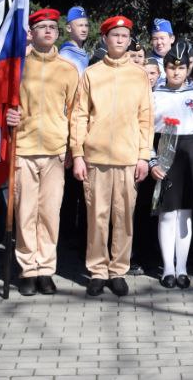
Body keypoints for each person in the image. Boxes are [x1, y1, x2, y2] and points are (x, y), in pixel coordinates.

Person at [69, 15, 153, 298]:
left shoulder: (139, 75)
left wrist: (144, 156)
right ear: (105, 39)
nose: (120, 39)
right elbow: (79, 116)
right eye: (114, 35)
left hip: (128, 157)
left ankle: (118, 270)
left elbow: (146, 118)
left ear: (130, 40)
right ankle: (97, 270)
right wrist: (78, 154)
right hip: (96, 158)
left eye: (124, 35)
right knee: (97, 217)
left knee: (124, 218)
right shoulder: (92, 73)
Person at [4, 8, 78, 296]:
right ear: (31, 33)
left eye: (52, 27)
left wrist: (73, 149)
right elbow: (2, 104)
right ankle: (27, 269)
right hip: (23, 150)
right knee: (25, 213)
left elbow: (75, 113)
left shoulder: (68, 69)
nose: (48, 31)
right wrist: (9, 115)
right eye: (42, 27)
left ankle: (46, 269)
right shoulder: (17, 67)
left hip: (55, 151)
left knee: (49, 214)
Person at [148, 41, 193, 288]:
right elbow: (146, 131)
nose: (176, 72)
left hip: (190, 156)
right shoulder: (155, 95)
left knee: (184, 215)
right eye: (172, 67)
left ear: (188, 68)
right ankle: (168, 269)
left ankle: (182, 267)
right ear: (165, 68)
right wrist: (153, 159)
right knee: (166, 214)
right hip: (165, 154)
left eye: (181, 68)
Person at [58, 6, 92, 73]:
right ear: (69, 28)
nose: (84, 30)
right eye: (80, 25)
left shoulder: (83, 52)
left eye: (86, 25)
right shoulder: (65, 55)